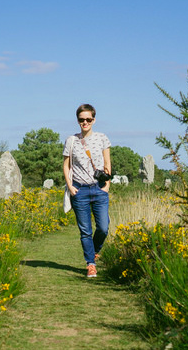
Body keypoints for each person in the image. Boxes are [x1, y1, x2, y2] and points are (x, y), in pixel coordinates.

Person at [63, 103, 112, 278]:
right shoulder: (71, 140)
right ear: (77, 120)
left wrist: (107, 185)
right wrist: (70, 187)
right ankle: (91, 264)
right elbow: (66, 165)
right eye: (81, 119)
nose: (85, 122)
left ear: (94, 120)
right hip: (80, 191)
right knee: (85, 231)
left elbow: (107, 164)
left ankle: (94, 251)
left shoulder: (102, 138)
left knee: (103, 228)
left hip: (99, 189)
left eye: (88, 119)